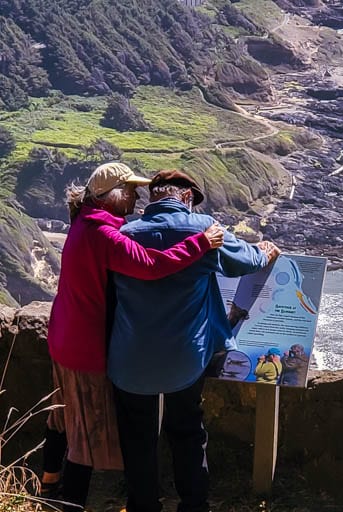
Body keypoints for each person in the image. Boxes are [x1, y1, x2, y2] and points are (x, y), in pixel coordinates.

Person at [41, 163, 224, 512]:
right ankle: (68, 504)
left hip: (64, 337)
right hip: (86, 347)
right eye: (130, 191)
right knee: (86, 437)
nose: (137, 197)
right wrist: (200, 242)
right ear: (112, 196)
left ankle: (48, 484)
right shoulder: (105, 234)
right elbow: (151, 266)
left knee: (64, 419)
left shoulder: (86, 222)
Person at [106, 169, 280, 512]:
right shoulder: (203, 229)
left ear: (153, 197)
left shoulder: (123, 234)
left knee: (137, 437)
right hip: (185, 356)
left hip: (130, 357)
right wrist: (266, 251)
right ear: (186, 197)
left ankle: (143, 505)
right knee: (186, 430)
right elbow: (246, 261)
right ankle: (193, 504)